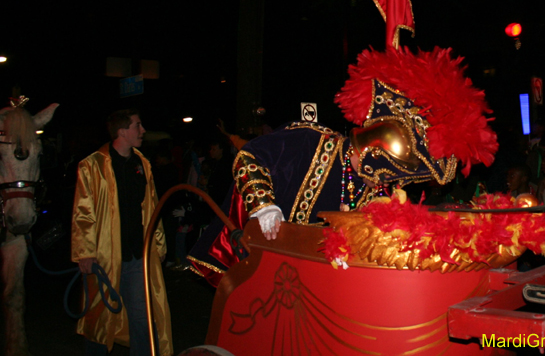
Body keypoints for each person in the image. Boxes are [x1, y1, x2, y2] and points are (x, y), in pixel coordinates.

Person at [188, 47, 499, 286]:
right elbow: (249, 158)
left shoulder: (376, 188)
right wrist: (263, 204)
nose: (371, 181)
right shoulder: (308, 140)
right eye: (366, 169)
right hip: (248, 254)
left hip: (303, 275)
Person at [71, 109, 173, 356]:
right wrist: (85, 252)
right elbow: (83, 213)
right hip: (105, 259)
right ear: (122, 131)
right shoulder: (91, 165)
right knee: (99, 319)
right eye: (138, 126)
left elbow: (152, 207)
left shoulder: (143, 163)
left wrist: (158, 245)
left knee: (142, 319)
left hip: (137, 257)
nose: (143, 131)